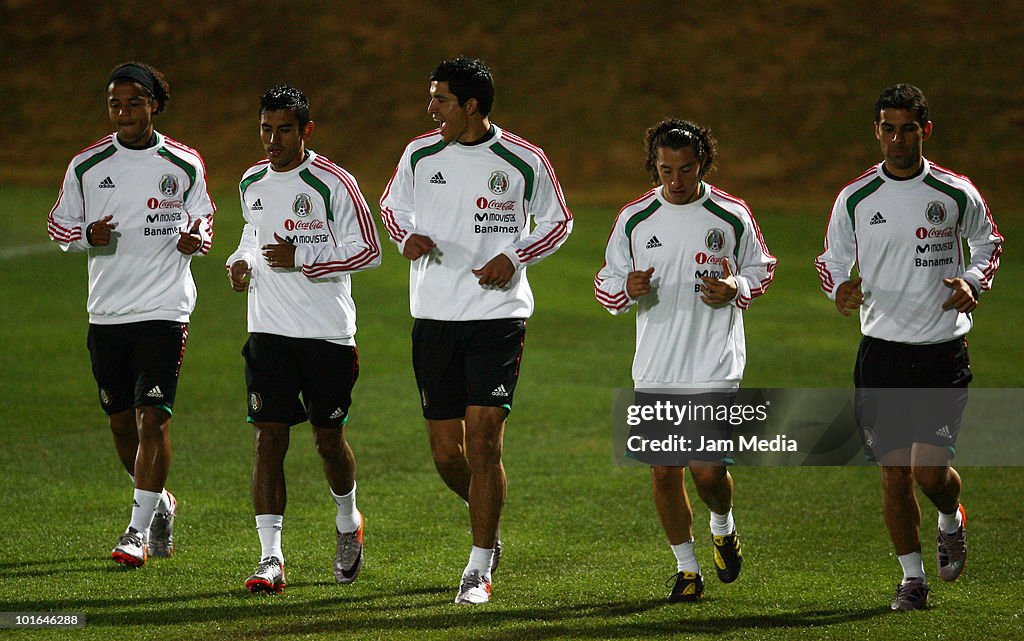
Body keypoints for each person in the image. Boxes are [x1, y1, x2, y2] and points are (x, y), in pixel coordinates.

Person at [379, 57, 573, 604]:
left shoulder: (523, 159)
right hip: (434, 318)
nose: (431, 107)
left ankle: (479, 565)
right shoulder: (419, 154)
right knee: (447, 453)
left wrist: (514, 255)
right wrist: (405, 237)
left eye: (440, 98)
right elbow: (392, 208)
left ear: (470, 105)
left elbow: (559, 221)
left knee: (484, 440)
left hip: (497, 317)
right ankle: (486, 517)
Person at [815, 84, 1003, 611]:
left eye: (908, 128)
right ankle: (912, 580)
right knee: (894, 474)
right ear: (877, 131)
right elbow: (831, 259)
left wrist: (972, 281)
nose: (898, 139)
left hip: (942, 350)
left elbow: (989, 243)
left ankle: (950, 518)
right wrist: (840, 287)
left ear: (925, 130)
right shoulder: (855, 197)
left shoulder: (954, 192)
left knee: (929, 473)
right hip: (881, 351)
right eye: (889, 128)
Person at [595, 119, 776, 602]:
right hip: (656, 364)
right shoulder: (634, 219)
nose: (675, 181)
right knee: (663, 471)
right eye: (665, 170)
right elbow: (606, 284)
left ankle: (723, 525)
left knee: (708, 471)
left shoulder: (731, 215)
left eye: (686, 170)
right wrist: (625, 289)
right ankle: (687, 569)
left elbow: (762, 268)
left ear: (703, 165)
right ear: (654, 167)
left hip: (715, 360)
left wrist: (738, 286)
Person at [47, 62, 216, 568]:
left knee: (152, 420)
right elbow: (59, 225)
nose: (124, 112)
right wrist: (85, 236)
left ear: (154, 105)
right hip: (108, 311)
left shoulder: (184, 163)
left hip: (165, 308)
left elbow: (203, 214)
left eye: (134, 102)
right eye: (115, 104)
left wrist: (198, 238)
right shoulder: (86, 165)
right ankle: (160, 501)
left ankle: (136, 532)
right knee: (122, 424)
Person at [226, 85, 381, 594]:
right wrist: (241, 262)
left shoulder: (334, 182)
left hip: (326, 334)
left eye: (284, 130)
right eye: (266, 129)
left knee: (328, 441)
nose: (272, 140)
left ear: (306, 130)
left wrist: (305, 261)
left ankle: (347, 521)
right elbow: (252, 235)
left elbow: (369, 252)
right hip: (268, 331)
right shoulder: (251, 181)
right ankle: (271, 558)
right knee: (268, 438)